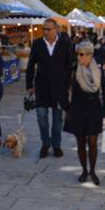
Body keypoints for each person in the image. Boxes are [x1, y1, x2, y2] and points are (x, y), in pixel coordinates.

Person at [63, 41, 105, 186]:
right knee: (80, 142)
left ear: (89, 55)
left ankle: (92, 170)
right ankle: (84, 170)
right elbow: (63, 87)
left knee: (92, 142)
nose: (79, 57)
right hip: (77, 109)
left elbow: (104, 91)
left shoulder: (98, 70)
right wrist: (67, 107)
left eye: (81, 54)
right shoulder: (73, 68)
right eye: (77, 54)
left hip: (94, 109)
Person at [26, 19, 73, 158]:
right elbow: (30, 65)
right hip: (41, 87)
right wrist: (29, 85)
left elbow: (69, 66)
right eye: (44, 29)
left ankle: (56, 145)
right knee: (41, 117)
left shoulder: (65, 44)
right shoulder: (37, 43)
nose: (45, 32)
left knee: (57, 119)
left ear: (56, 29)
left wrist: (67, 85)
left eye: (48, 29)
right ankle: (45, 143)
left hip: (59, 89)